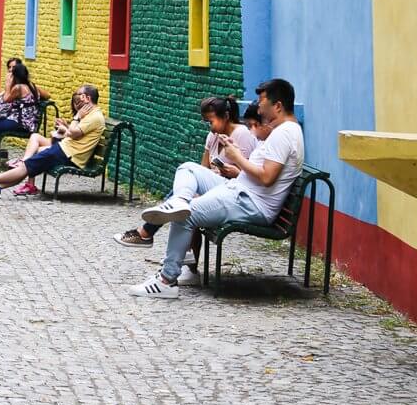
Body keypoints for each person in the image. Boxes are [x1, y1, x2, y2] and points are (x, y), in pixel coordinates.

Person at [128, 78, 304, 299]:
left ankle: (166, 280)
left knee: (185, 216)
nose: (258, 107)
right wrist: (236, 153)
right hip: (239, 189)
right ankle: (180, 199)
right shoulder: (285, 131)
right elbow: (262, 171)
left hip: (250, 202)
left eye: (262, 102)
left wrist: (237, 157)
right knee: (188, 168)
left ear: (277, 106)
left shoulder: (284, 133)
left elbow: (267, 178)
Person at [114, 96, 259, 285]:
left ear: (226, 116)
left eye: (211, 121)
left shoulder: (243, 135)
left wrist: (233, 171)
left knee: (184, 202)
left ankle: (146, 233)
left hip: (232, 191)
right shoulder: (212, 136)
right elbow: (203, 167)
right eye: (207, 122)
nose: (210, 127)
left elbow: (248, 176)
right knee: (183, 199)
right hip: (215, 187)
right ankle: (180, 261)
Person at [0, 84, 105, 198]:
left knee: (27, 165)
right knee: (28, 166)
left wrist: (76, 117)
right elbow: (74, 134)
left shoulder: (94, 116)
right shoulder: (91, 114)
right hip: (65, 150)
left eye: (79, 95)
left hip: (68, 154)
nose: (76, 97)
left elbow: (73, 133)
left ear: (87, 98)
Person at [0, 61, 49, 170]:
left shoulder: (18, 88)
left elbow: (6, 99)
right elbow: (48, 95)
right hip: (28, 123)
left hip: (18, 123)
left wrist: (7, 84)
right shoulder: (33, 86)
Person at [7, 91, 81, 197]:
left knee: (39, 150)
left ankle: (29, 182)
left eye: (78, 102)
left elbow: (76, 137)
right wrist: (64, 126)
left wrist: (64, 129)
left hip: (67, 148)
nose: (77, 105)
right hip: (62, 143)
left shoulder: (85, 117)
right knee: (35, 136)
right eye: (75, 102)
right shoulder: (78, 116)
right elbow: (72, 133)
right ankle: (24, 162)